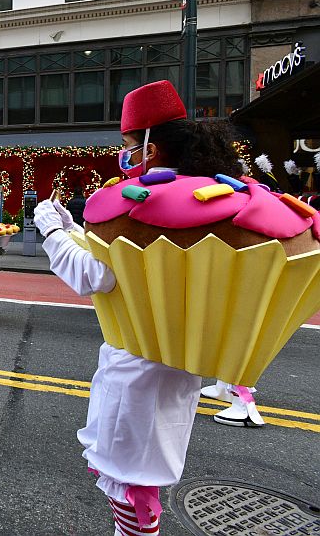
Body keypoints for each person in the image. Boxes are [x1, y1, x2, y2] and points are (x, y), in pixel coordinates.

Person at [34, 80, 245, 536]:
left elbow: (97, 277)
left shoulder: (147, 204)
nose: (125, 155)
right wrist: (74, 230)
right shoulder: (216, 198)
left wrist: (51, 231)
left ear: (151, 146)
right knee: (142, 480)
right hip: (181, 363)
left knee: (129, 484)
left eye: (129, 145)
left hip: (136, 367)